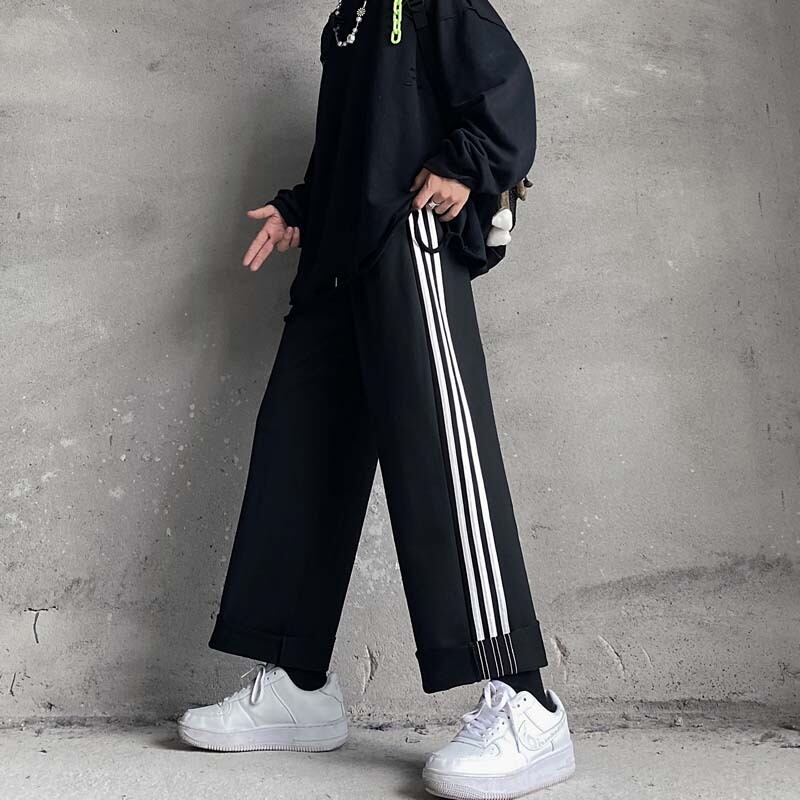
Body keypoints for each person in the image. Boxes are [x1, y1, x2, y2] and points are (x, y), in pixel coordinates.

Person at [178, 1, 575, 797]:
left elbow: (505, 89)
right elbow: (355, 147)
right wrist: (301, 209)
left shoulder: (432, 2)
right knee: (299, 449)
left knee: (440, 456)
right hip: (337, 255)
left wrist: (465, 164)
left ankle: (527, 703)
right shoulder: (350, 21)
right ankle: (298, 683)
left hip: (406, 244)